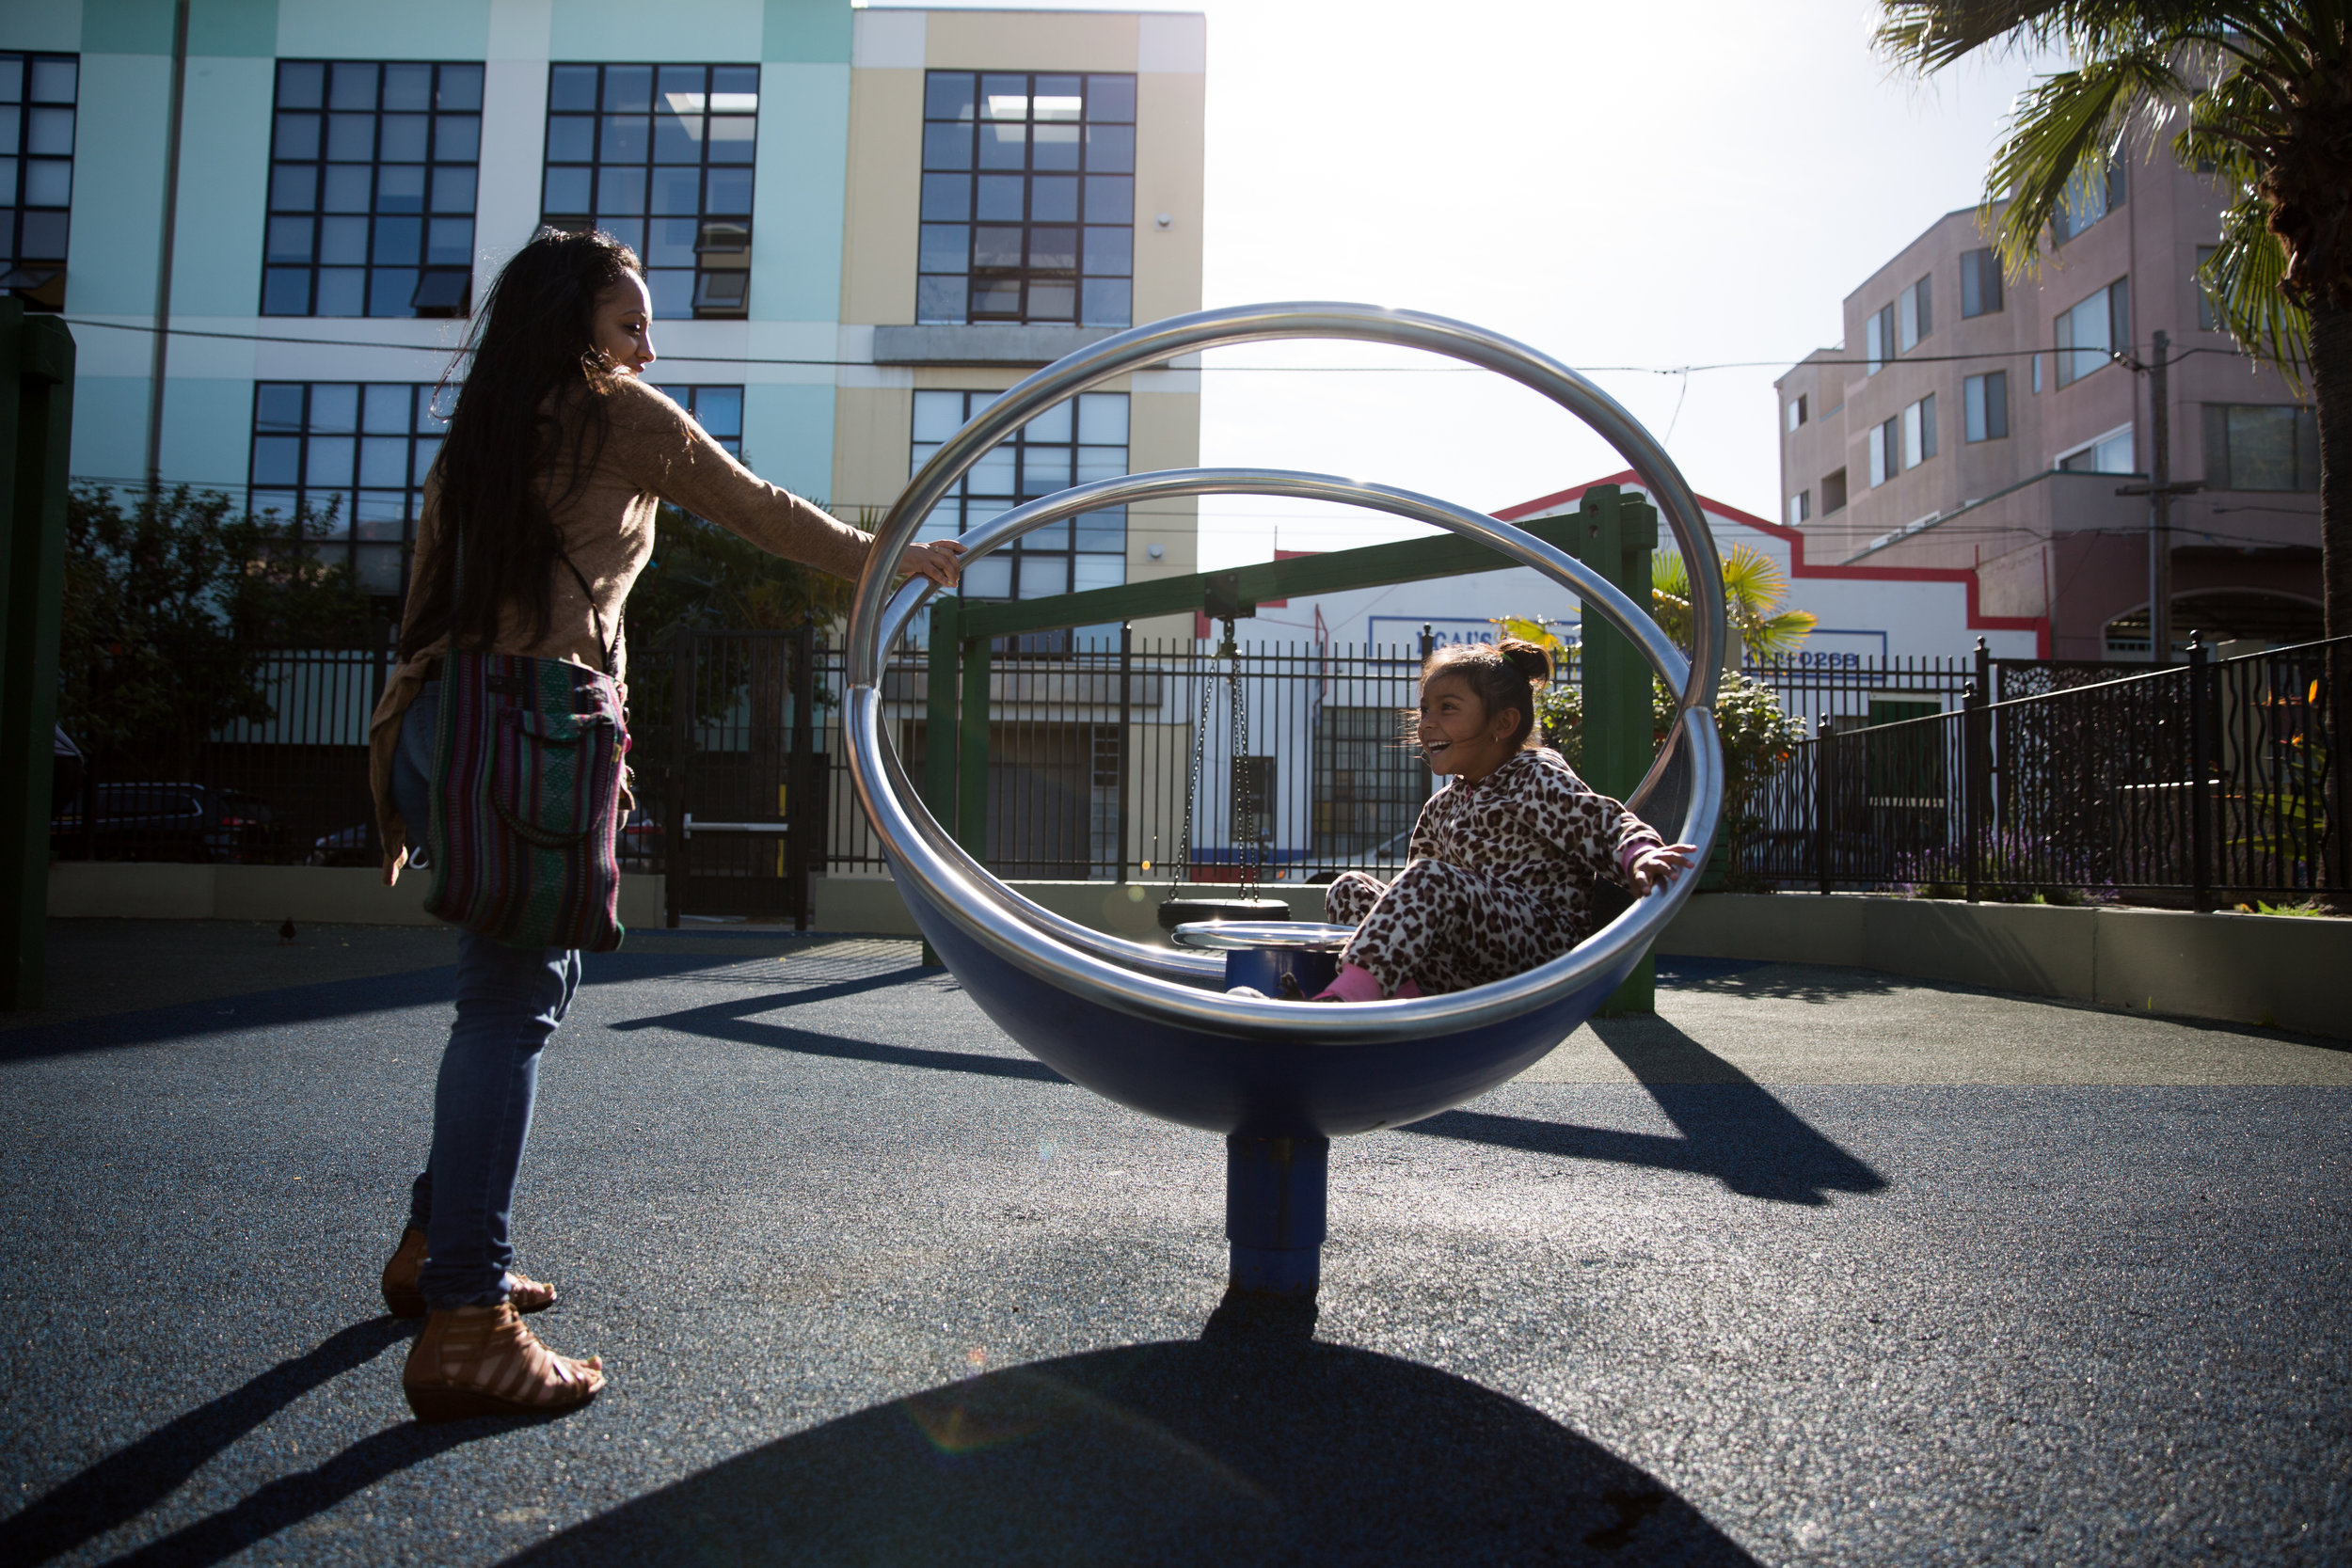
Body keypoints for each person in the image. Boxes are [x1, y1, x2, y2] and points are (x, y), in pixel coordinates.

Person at [367, 228, 961, 1421]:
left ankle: (440, 1241)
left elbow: (424, 594)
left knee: (526, 984)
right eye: (631, 321)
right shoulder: (619, 417)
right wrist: (892, 560)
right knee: (510, 1002)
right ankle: (467, 1319)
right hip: (534, 721)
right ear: (577, 326)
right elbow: (762, 509)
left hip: (447, 717)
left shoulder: (483, 430)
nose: (649, 342)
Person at [1311, 639, 1696, 1002]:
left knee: (1429, 878)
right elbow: (1411, 905)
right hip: (1466, 965)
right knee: (1349, 888)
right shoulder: (1442, 807)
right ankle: (1400, 994)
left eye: (1447, 708)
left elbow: (1599, 821)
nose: (1426, 723)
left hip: (1535, 948)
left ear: (1503, 724)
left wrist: (1640, 854)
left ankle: (1351, 997)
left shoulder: (1533, 776)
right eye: (1425, 709)